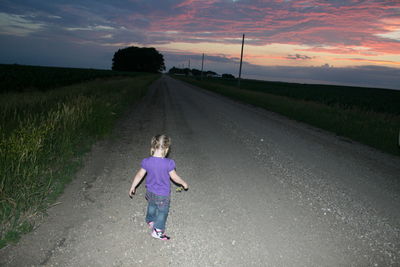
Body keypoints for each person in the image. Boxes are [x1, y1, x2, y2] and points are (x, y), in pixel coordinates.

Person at [129, 134, 188, 240]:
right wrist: (183, 183)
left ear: (153, 147)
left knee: (151, 205)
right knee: (162, 212)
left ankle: (150, 220)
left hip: (150, 192)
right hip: (162, 195)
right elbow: (174, 177)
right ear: (166, 149)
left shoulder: (146, 162)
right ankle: (157, 230)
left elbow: (139, 175)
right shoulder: (168, 163)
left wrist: (133, 186)